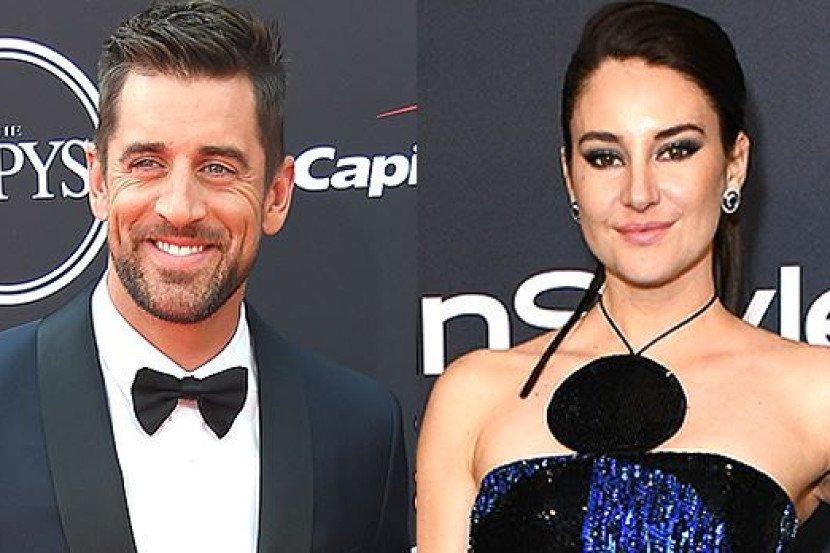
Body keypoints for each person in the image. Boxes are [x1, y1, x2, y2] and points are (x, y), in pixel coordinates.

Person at [417, 1, 830, 551]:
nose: (639, 193)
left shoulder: (814, 392)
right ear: (570, 176)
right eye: (605, 157)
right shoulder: (475, 397)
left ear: (734, 164)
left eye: (675, 150)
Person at [0, 2, 409, 552]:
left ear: (276, 194)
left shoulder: (361, 431)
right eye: (146, 163)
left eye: (217, 168)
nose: (180, 207)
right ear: (98, 180)